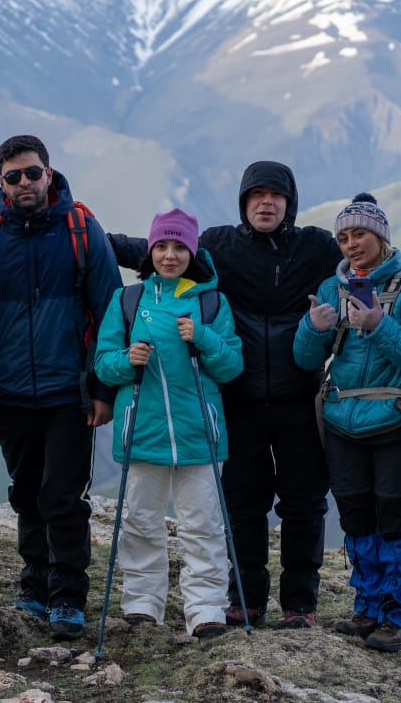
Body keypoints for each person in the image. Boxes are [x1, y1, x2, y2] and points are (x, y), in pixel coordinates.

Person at [109, 162, 339, 627]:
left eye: (275, 195)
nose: (266, 203)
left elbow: (359, 262)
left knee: (304, 503)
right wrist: (93, 236)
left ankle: (299, 604)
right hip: (240, 400)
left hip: (299, 397)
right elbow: (165, 250)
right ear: (243, 201)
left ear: (290, 202)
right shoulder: (220, 245)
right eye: (256, 195)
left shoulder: (316, 247)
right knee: (243, 502)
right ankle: (246, 598)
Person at [0, 134, 123, 641]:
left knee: (64, 496)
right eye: (13, 176)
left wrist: (104, 390)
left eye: (32, 172)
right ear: (0, 181)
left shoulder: (82, 230)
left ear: (49, 172)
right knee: (26, 494)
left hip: (71, 393)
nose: (24, 182)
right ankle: (34, 586)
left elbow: (111, 313)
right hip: (8, 393)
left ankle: (68, 595)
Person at [292, 194, 401, 652]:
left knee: (393, 519)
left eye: (359, 234)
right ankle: (369, 606)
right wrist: (312, 329)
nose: (351, 244)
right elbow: (306, 360)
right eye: (343, 237)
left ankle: (399, 613)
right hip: (342, 423)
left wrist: (378, 324)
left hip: (396, 422)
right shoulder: (331, 287)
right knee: (356, 519)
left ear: (381, 237)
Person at [94, 208, 244, 639]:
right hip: (143, 431)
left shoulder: (211, 302)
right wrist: (128, 359)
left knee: (203, 526)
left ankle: (207, 610)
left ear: (192, 253)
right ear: (150, 251)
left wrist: (203, 337)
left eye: (179, 247)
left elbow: (232, 365)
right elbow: (103, 364)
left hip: (199, 435)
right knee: (141, 522)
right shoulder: (128, 300)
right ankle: (142, 605)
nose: (169, 255)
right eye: (161, 246)